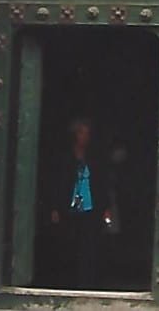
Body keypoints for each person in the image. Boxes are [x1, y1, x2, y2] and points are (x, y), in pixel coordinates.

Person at [46, 118, 112, 289]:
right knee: (69, 244)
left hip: (91, 207)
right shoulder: (65, 156)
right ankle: (69, 281)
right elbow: (57, 181)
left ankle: (88, 282)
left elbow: (103, 182)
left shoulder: (95, 156)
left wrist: (106, 208)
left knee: (90, 245)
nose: (85, 136)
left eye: (87, 133)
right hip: (69, 207)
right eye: (82, 132)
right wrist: (54, 207)